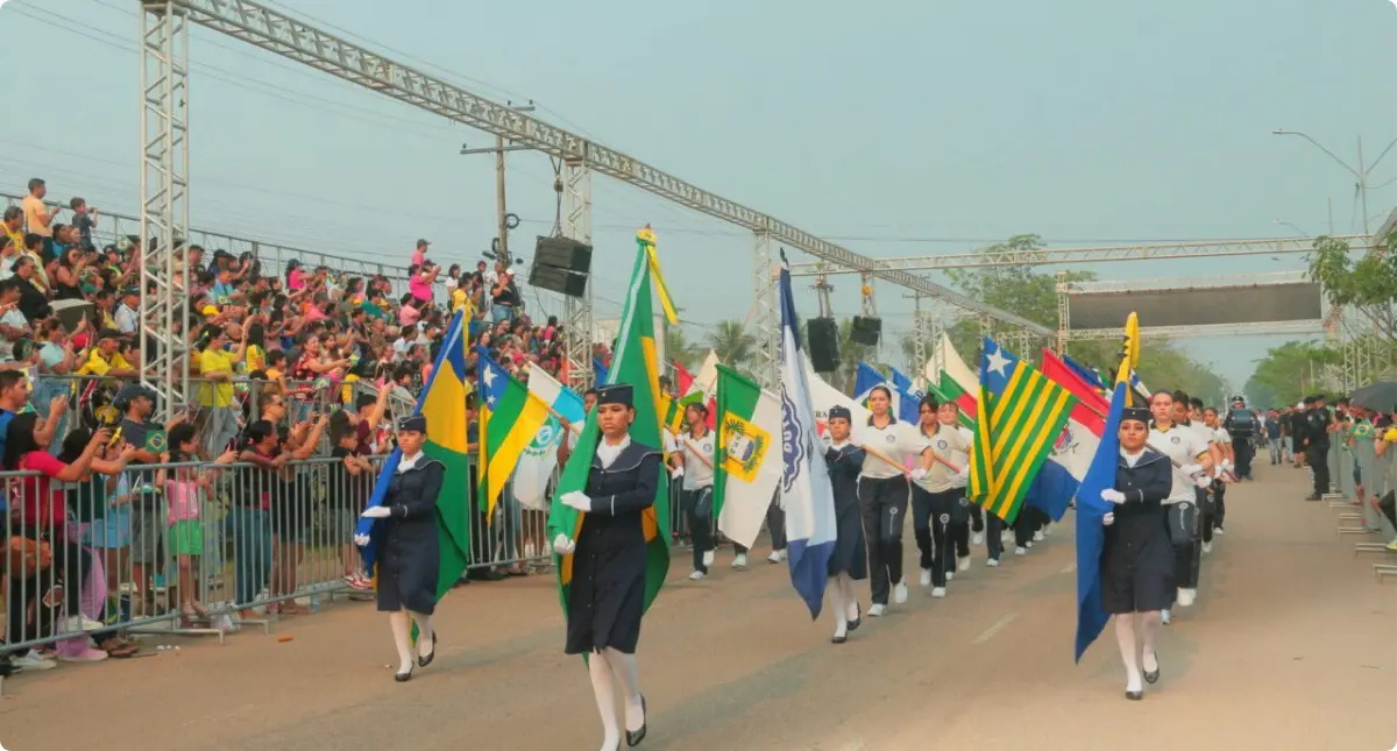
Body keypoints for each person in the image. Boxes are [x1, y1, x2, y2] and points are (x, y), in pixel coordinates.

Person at [552, 383, 659, 751]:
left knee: (614, 639)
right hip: (588, 555)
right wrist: (562, 532)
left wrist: (594, 505)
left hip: (625, 554)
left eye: (615, 410)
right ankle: (610, 731)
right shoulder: (586, 457)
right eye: (601, 410)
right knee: (593, 644)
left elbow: (644, 496)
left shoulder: (646, 456)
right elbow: (565, 501)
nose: (608, 417)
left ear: (631, 415)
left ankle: (632, 698)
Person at [358, 414, 445, 682]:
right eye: (402, 434)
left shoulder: (432, 467)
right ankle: (405, 659)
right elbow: (377, 497)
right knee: (394, 601)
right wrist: (365, 528)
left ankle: (426, 633)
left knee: (413, 593)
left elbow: (425, 505)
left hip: (419, 538)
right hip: (391, 538)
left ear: (423, 437)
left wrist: (391, 510)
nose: (405, 438)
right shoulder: (391, 467)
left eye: (411, 434)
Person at [1099, 406, 1174, 701]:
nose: (1132, 432)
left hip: (1151, 541)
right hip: (1116, 543)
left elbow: (1162, 490)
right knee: (1123, 613)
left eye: (1138, 427)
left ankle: (1148, 650)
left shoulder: (1159, 461)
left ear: (1147, 431)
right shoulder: (1106, 462)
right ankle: (1132, 674)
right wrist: (1099, 514)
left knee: (1152, 613)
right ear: (1118, 431)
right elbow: (1094, 493)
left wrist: (1125, 497)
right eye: (1126, 427)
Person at [1146, 391, 1213, 620]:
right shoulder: (1141, 433)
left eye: (1167, 404)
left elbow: (1207, 458)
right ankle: (1164, 602)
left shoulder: (1187, 434)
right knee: (1156, 552)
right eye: (1158, 404)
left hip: (1181, 497)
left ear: (1173, 408)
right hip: (1151, 500)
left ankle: (1183, 582)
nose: (1163, 408)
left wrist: (1196, 468)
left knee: (1181, 541)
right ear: (1152, 407)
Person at [853, 385, 919, 617]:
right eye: (873, 399)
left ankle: (898, 577)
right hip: (869, 486)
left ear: (889, 403)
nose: (877, 402)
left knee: (890, 537)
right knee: (873, 543)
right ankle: (878, 598)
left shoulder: (902, 428)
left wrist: (923, 470)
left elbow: (927, 450)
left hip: (894, 486)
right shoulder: (860, 428)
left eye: (882, 399)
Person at [909, 394, 970, 598]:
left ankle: (939, 580)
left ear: (936, 413)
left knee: (941, 533)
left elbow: (970, 449)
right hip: (920, 487)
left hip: (943, 489)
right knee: (920, 528)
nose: (926, 415)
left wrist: (968, 468)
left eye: (930, 411)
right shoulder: (912, 433)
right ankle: (926, 560)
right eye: (923, 412)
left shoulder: (949, 433)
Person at [822, 406, 867, 643]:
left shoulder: (855, 450)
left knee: (845, 563)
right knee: (830, 572)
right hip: (825, 513)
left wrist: (829, 452)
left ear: (849, 426)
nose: (837, 426)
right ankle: (840, 622)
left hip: (848, 511)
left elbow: (855, 464)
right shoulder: (820, 450)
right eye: (833, 422)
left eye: (841, 422)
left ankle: (851, 602)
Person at [672, 403, 716, 580]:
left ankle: (710, 545)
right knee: (694, 526)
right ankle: (699, 567)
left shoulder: (714, 437)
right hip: (689, 485)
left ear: (703, 414)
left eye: (693, 411)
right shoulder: (684, 438)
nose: (689, 414)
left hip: (709, 482)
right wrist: (678, 466)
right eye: (687, 411)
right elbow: (677, 455)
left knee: (700, 514)